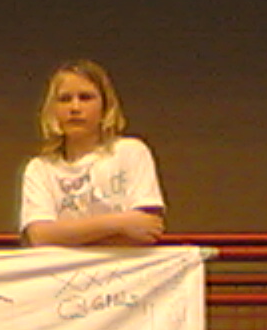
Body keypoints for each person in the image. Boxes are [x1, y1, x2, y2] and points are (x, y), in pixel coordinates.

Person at [19, 59, 165, 247]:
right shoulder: (40, 169)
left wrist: (68, 235)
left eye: (86, 97)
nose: (75, 108)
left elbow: (146, 229)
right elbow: (40, 236)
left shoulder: (131, 152)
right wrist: (120, 223)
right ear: (53, 109)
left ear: (105, 107)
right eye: (65, 99)